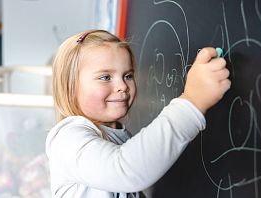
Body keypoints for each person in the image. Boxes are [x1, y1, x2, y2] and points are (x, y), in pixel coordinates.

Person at [46, 29, 231, 198]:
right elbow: (125, 170)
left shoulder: (119, 136)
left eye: (127, 75)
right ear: (70, 88)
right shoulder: (66, 138)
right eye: (105, 77)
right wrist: (193, 102)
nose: (122, 86)